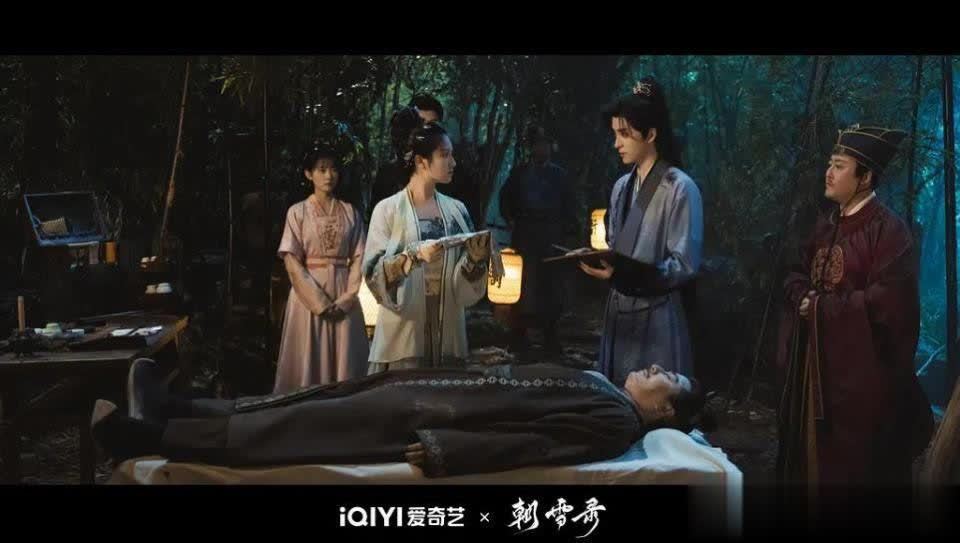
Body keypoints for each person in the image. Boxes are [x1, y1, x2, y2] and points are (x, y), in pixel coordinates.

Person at [91, 357, 713, 478]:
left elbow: (539, 444)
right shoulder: (606, 387)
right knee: (314, 399)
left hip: (434, 413)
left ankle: (151, 434)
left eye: (668, 377)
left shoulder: (615, 421)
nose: (655, 367)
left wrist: (450, 450)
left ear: (664, 409)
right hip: (438, 388)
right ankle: (180, 408)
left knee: (302, 427)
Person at [776, 124, 933, 487]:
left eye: (839, 166)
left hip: (860, 385)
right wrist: (803, 298)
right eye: (829, 164)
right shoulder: (825, 224)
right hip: (814, 373)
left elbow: (890, 307)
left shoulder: (890, 232)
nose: (828, 173)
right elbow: (796, 272)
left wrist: (821, 309)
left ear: (865, 177)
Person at [574, 77, 703, 386]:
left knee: (653, 400)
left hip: (657, 314)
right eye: (614, 134)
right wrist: (599, 259)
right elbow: (616, 247)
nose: (616, 144)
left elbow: (684, 265)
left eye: (625, 134)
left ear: (651, 134)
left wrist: (627, 274)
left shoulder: (680, 188)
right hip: (618, 310)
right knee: (616, 398)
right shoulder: (621, 187)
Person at [362, 108, 490, 372]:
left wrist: (476, 260)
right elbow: (373, 274)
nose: (453, 163)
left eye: (452, 155)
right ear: (421, 161)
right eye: (445, 155)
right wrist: (413, 256)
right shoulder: (388, 210)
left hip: (448, 323)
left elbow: (466, 281)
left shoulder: (457, 211)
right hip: (404, 326)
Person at [273, 142, 369, 392]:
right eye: (322, 169)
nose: (329, 175)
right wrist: (319, 302)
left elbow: (360, 256)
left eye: (333, 169)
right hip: (308, 297)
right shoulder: (297, 213)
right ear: (309, 174)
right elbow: (292, 261)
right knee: (308, 360)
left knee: (346, 363)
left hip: (343, 292)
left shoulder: (350, 212)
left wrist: (348, 298)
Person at [499, 126, 576, 353]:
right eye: (538, 144)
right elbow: (506, 199)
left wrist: (568, 230)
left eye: (545, 144)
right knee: (523, 287)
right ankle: (518, 335)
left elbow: (569, 205)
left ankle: (550, 336)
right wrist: (511, 218)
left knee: (551, 287)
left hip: (551, 237)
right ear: (532, 148)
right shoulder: (520, 173)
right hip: (525, 235)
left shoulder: (559, 175)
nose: (542, 148)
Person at [369, 94, 445, 211]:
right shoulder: (387, 174)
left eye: (431, 126)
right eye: (419, 124)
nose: (424, 132)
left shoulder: (450, 174)